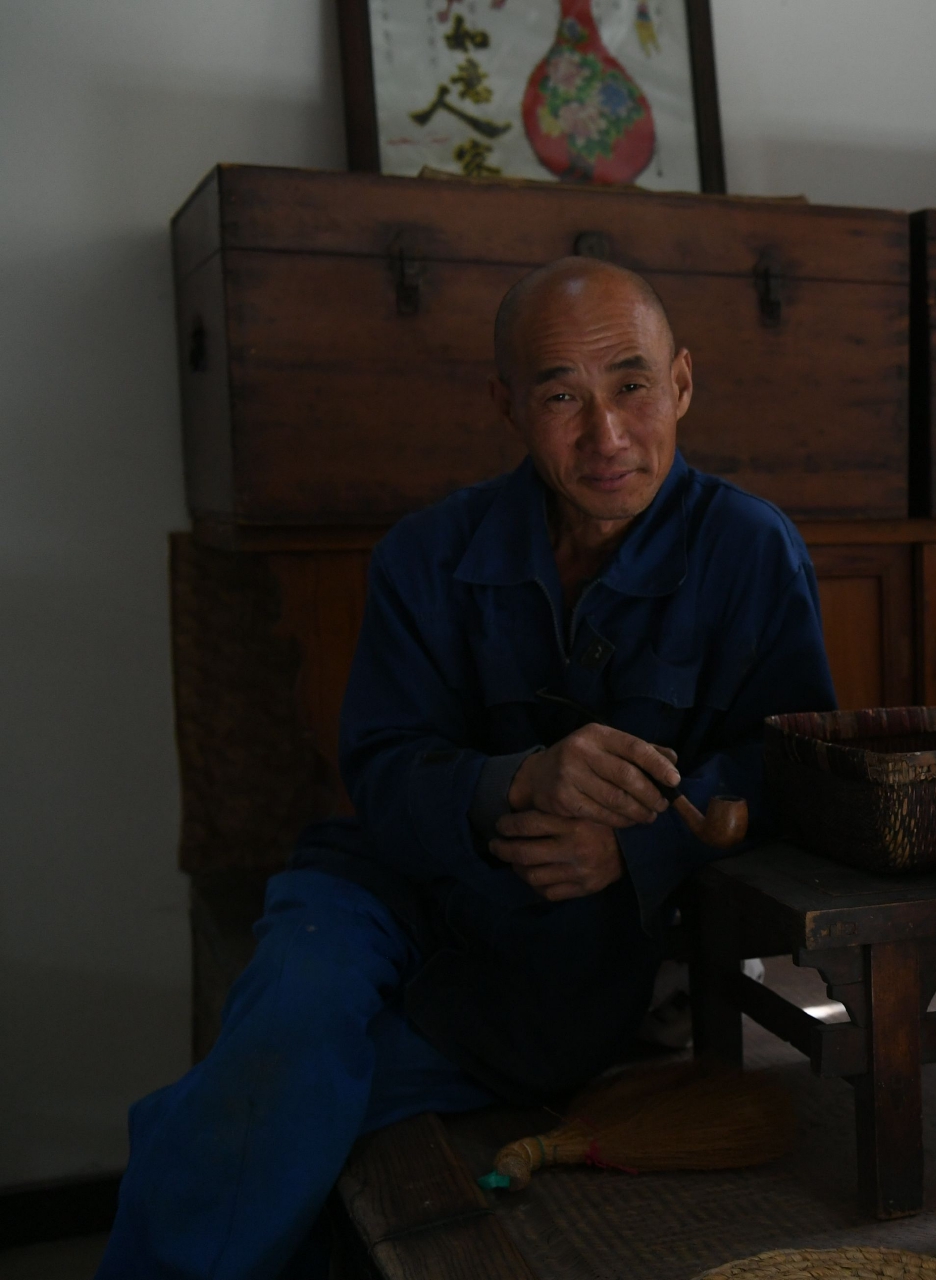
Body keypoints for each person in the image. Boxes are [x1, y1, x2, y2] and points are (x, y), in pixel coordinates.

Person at [100, 258, 836, 1279]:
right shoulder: (426, 553)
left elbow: (790, 761)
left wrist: (642, 840)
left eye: (630, 384)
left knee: (267, 1115)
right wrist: (525, 780)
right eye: (559, 396)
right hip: (377, 887)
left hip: (558, 945)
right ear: (508, 406)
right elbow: (384, 771)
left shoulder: (750, 549)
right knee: (286, 1031)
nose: (606, 434)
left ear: (680, 384)